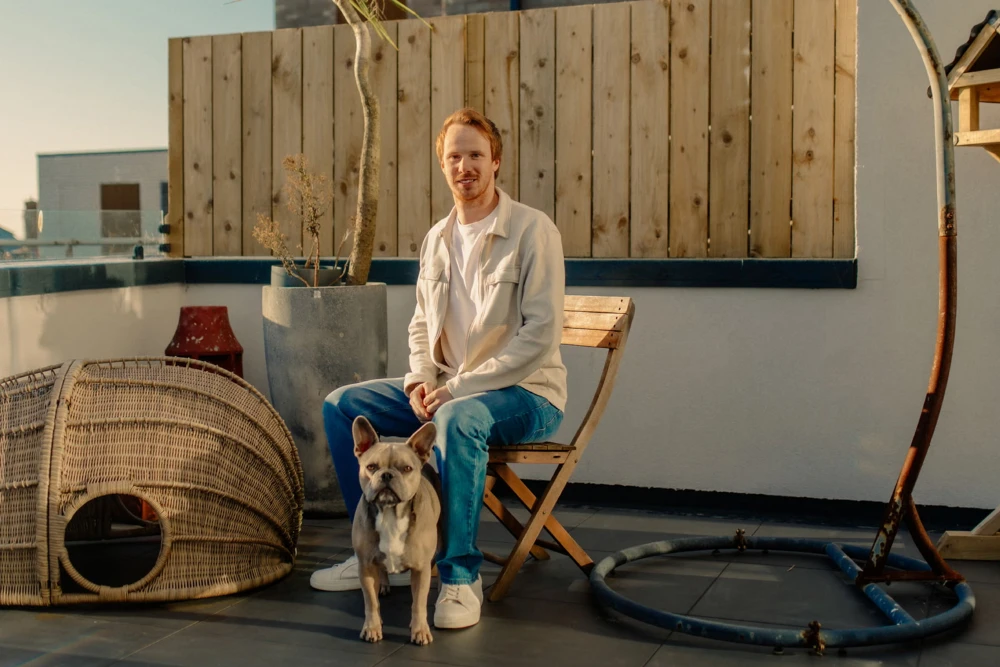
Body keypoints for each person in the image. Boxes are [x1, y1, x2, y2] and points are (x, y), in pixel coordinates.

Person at [310, 107, 567, 630]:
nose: (464, 165)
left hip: (527, 394)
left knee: (457, 420)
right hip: (448, 388)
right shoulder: (437, 238)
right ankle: (375, 553)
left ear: (496, 161)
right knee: (343, 405)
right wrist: (420, 380)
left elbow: (539, 336)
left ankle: (457, 575)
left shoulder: (533, 231)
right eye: (454, 156)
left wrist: (456, 391)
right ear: (443, 165)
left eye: (476, 154)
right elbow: (422, 324)